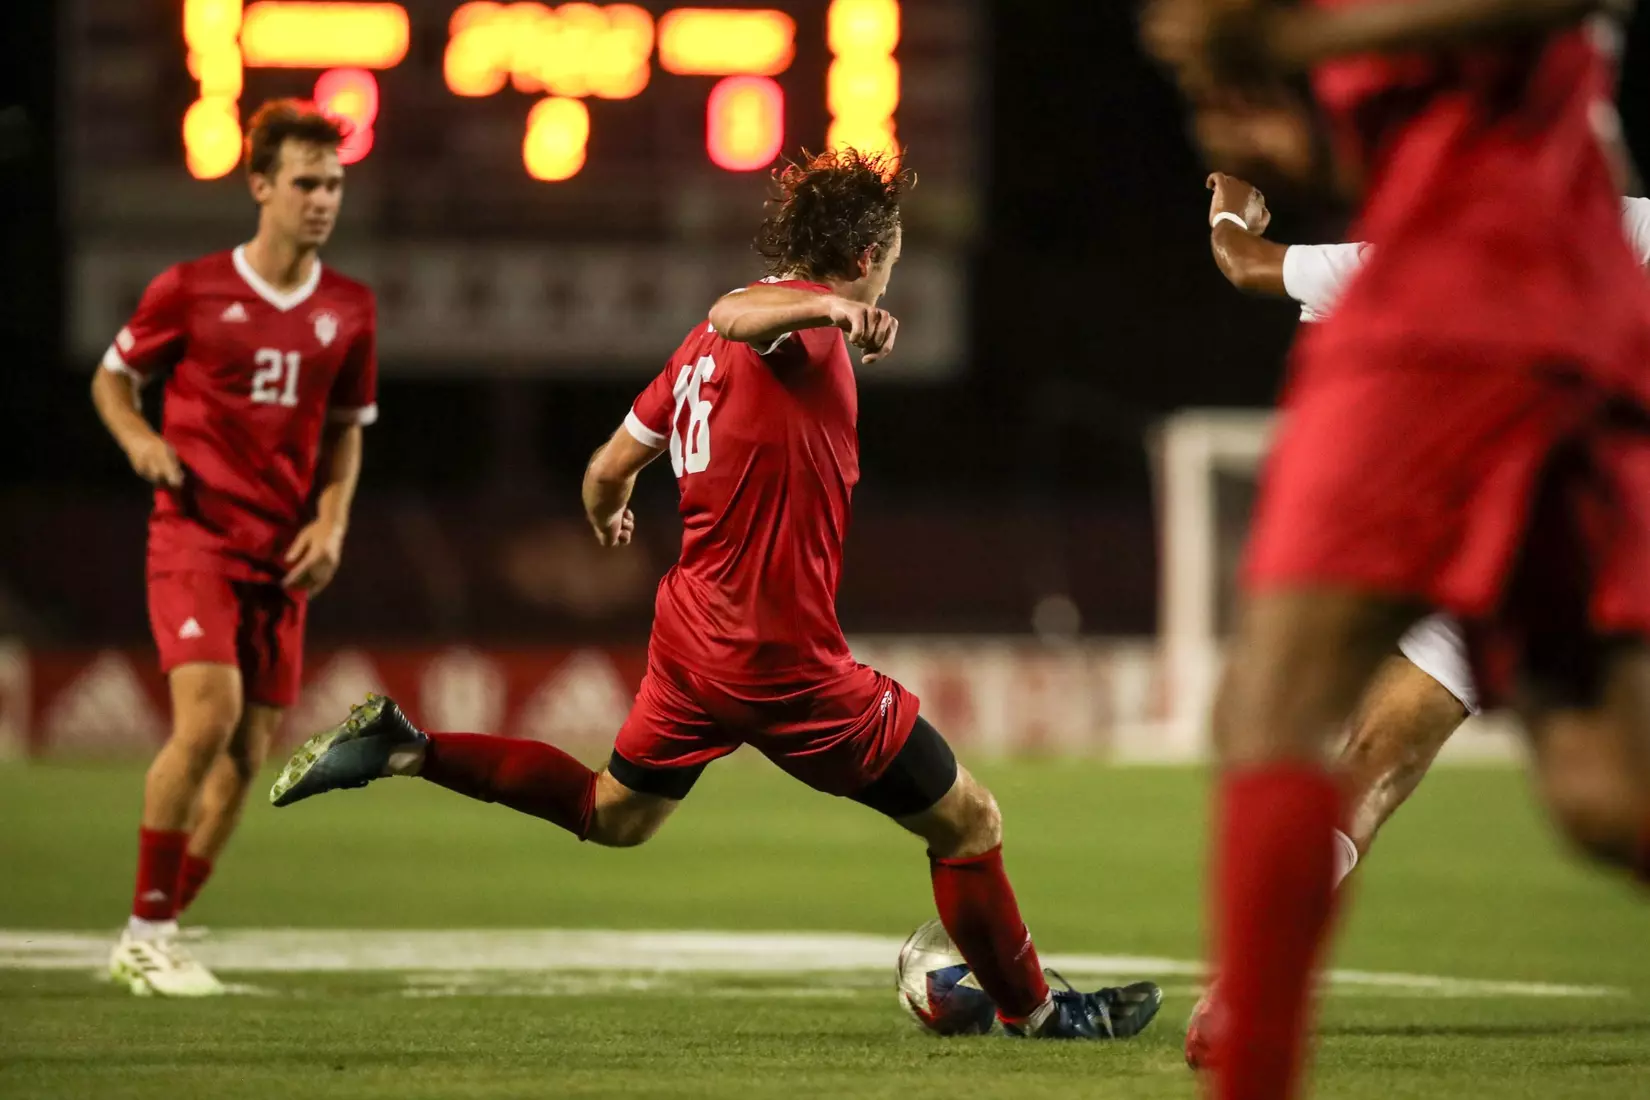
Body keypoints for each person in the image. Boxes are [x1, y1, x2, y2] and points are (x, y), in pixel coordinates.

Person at [268, 148, 1163, 1040]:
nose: (890, 272)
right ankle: (1039, 1014)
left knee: (614, 816)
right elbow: (734, 311)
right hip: (780, 664)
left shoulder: (698, 358)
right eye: (888, 253)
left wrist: (609, 511)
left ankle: (409, 749)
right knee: (969, 820)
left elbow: (606, 467)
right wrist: (836, 312)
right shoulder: (785, 329)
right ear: (863, 257)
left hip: (694, 637)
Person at [1143, 2, 1650, 1097]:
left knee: (1273, 704)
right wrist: (1274, 147)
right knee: (1604, 794)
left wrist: (1282, 44)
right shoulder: (1485, 180)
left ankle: (1249, 1049)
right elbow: (1271, 238)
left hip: (1470, 317)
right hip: (1506, 327)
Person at [1204, 173, 1650, 868]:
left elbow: (1246, 261)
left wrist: (1232, 213)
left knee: (1599, 804)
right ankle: (1247, 982)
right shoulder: (1420, 251)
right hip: (1495, 547)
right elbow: (1251, 264)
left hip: (1566, 546)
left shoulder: (1596, 229)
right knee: (1369, 763)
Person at [92, 99, 378, 996]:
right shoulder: (190, 289)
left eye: (333, 184)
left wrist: (330, 524)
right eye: (305, 183)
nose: (322, 199)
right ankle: (144, 931)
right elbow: (113, 378)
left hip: (282, 557)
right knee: (206, 721)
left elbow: (346, 431)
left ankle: (162, 927)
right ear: (260, 184)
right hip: (195, 539)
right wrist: (139, 439)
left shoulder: (350, 308)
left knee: (249, 756)